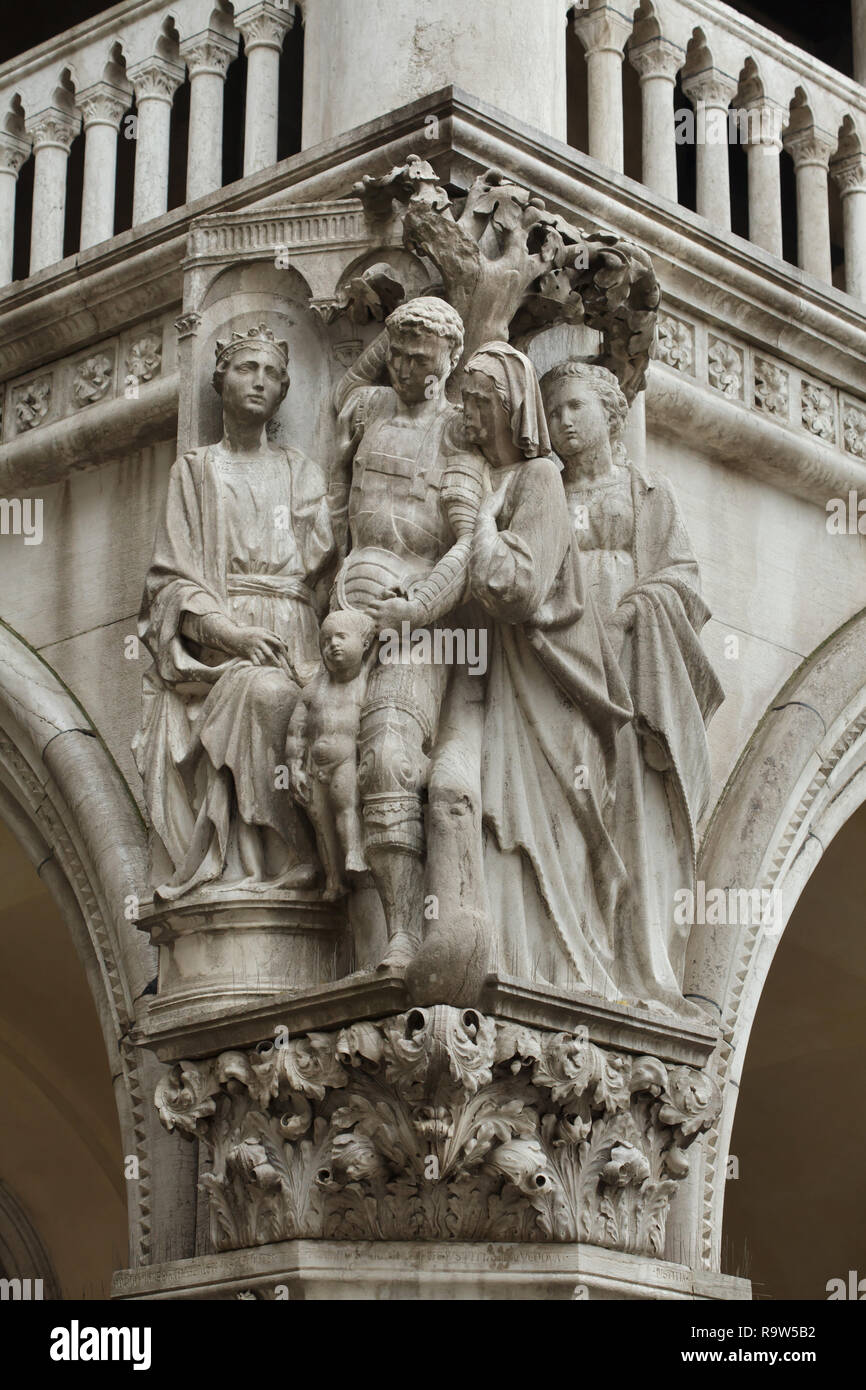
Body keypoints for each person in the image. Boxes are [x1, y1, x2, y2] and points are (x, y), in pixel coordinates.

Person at [540, 359, 724, 1013]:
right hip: (562, 656)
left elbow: (684, 579)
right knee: (568, 796)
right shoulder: (542, 492)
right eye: (553, 411)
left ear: (611, 413)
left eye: (575, 407)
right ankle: (573, 952)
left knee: (630, 810)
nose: (563, 421)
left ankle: (638, 965)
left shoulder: (647, 491)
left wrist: (636, 609)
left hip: (628, 657)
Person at [133, 324, 335, 900]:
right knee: (262, 694)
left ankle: (311, 859)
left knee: (313, 714)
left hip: (297, 630)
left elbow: (326, 568)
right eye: (247, 369)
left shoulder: (299, 471)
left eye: (272, 374)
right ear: (221, 381)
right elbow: (169, 585)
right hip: (223, 644)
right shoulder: (196, 471)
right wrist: (233, 635)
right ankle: (281, 854)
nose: (260, 382)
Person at [463, 342, 633, 994]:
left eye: (482, 402)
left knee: (565, 812)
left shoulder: (537, 480)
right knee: (506, 816)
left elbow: (517, 586)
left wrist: (481, 526)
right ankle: (527, 962)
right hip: (515, 675)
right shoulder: (510, 479)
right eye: (554, 409)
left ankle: (574, 965)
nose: (471, 415)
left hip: (561, 675)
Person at [331, 296, 485, 968]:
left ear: (449, 361)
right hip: (345, 603)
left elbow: (469, 544)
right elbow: (341, 392)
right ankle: (337, 890)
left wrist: (415, 607)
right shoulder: (369, 409)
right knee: (324, 749)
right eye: (396, 355)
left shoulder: (459, 433)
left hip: (417, 620)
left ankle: (403, 929)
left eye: (420, 359)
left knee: (390, 756)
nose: (404, 369)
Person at [287, 608, 376, 900]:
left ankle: (354, 853)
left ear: (364, 644)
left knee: (344, 805)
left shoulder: (365, 682)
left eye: (341, 637)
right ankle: (334, 881)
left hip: (346, 761)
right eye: (325, 641)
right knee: (319, 819)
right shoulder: (313, 691)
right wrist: (294, 767)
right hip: (315, 766)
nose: (332, 644)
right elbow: (296, 732)